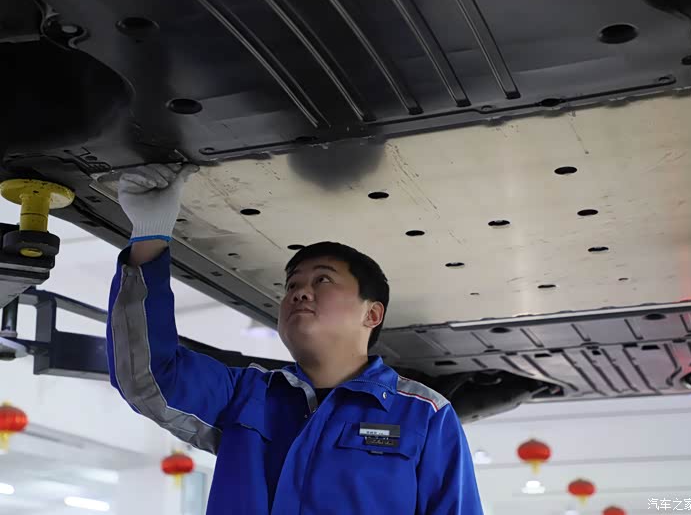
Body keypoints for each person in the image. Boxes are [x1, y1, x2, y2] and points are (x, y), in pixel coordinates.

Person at [107, 163, 484, 514]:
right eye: (292, 286)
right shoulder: (245, 396)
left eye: (323, 280)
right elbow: (147, 376)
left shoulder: (424, 415)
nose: (300, 293)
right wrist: (149, 236)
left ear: (371, 314)